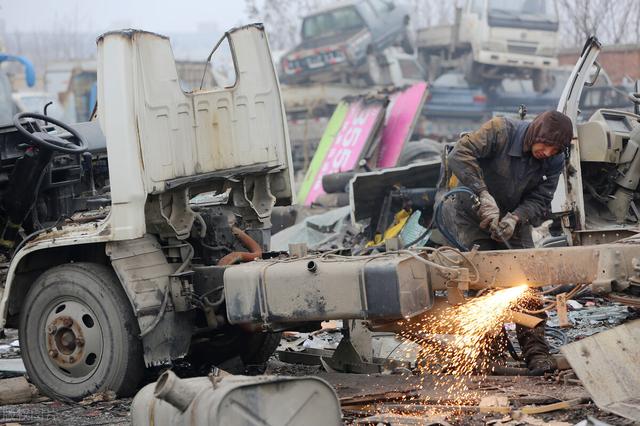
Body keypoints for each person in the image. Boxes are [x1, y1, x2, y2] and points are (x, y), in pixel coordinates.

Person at [446, 110, 573, 373]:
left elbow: (541, 199)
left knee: (527, 285)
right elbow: (459, 154)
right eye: (545, 145)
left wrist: (516, 218)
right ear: (535, 133)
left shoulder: (554, 159)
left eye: (554, 149)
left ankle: (536, 352)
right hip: (471, 214)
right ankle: (489, 354)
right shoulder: (500, 131)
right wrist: (482, 194)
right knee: (483, 284)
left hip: (514, 218)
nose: (548, 152)